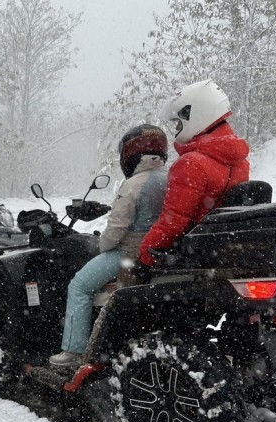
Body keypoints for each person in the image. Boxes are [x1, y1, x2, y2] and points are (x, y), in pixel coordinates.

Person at [49, 124, 169, 368]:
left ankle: (73, 351)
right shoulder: (172, 177)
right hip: (161, 250)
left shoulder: (134, 184)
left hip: (129, 252)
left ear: (130, 154)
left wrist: (101, 246)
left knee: (79, 287)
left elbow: (115, 231)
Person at [138, 79, 250, 268]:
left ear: (195, 114)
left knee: (125, 283)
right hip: (224, 248)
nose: (176, 128)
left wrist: (144, 253)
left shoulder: (191, 164)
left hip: (195, 252)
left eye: (178, 122)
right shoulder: (240, 161)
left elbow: (173, 222)